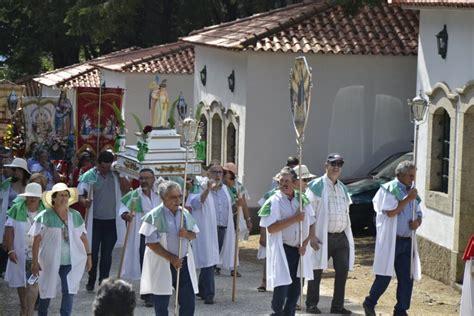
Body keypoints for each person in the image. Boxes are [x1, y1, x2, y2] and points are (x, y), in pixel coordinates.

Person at [363, 160, 423, 316]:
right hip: (392, 240)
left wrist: (417, 223)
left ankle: (401, 310)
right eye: (410, 176)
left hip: (407, 241)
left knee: (406, 278)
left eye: (414, 176)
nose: (412, 179)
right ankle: (370, 302)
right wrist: (408, 199)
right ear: (401, 175)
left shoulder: (413, 191)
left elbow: (419, 213)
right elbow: (390, 212)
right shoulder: (389, 189)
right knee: (384, 276)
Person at [29, 183, 92, 316]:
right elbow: (36, 240)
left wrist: (89, 257)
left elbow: (83, 237)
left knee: (68, 290)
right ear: (54, 198)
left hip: (70, 260)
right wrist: (35, 262)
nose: (63, 198)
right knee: (46, 290)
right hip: (49, 260)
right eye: (60, 195)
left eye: (65, 195)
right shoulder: (44, 215)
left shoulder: (75, 215)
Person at [258, 166, 314, 315]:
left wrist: (306, 242)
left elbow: (312, 222)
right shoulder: (274, 201)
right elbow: (272, 228)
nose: (283, 184)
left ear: (295, 182)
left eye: (287, 181)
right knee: (282, 286)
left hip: (299, 250)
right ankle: (277, 311)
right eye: (281, 181)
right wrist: (294, 218)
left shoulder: (302, 199)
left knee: (296, 287)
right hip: (284, 248)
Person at [140, 181, 199, 316]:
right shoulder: (154, 215)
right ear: (163, 197)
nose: (178, 200)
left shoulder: (184, 213)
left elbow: (194, 235)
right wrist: (172, 259)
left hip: (183, 262)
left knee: (188, 300)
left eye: (179, 196)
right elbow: (151, 243)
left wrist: (187, 234)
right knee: (161, 300)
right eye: (173, 197)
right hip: (162, 262)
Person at [305, 153, 355, 315]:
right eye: (333, 163)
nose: (336, 167)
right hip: (322, 236)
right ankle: (311, 304)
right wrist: (311, 236)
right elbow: (308, 212)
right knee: (316, 270)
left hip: (341, 237)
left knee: (342, 271)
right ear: (326, 165)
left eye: (339, 164)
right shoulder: (316, 185)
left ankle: (338, 306)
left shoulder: (342, 187)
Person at [78, 150, 127, 291]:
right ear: (97, 164)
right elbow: (80, 194)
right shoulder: (89, 176)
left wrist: (121, 174)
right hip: (95, 222)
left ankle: (104, 281)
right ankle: (91, 278)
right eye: (103, 167)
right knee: (92, 252)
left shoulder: (115, 175)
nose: (105, 170)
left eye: (108, 167)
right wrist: (84, 201)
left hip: (111, 222)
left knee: (107, 254)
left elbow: (127, 189)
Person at [188, 162, 236, 304]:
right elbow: (196, 203)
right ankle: (209, 294)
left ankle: (202, 289)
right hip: (207, 229)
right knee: (209, 259)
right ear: (208, 173)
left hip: (222, 228)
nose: (217, 175)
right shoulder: (200, 186)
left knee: (212, 261)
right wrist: (207, 190)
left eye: (220, 172)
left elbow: (230, 207)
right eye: (214, 172)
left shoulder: (226, 190)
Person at [119, 168, 161, 307]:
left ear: (153, 179)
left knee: (157, 263)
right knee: (146, 263)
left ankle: (155, 291)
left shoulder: (160, 194)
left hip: (158, 234)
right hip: (142, 234)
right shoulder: (134, 195)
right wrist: (127, 216)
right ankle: (148, 295)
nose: (143, 181)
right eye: (141, 178)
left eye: (147, 178)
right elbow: (122, 210)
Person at [3, 183, 45, 316]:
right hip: (20, 254)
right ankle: (23, 307)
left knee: (33, 284)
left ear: (40, 198)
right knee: (21, 283)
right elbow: (9, 230)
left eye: (35, 196)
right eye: (29, 196)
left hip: (38, 255)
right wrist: (10, 250)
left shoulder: (46, 212)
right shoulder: (16, 208)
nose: (32, 199)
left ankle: (29, 311)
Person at [1, 158, 31, 274]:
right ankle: (5, 267)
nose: (13, 171)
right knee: (7, 239)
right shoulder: (7, 183)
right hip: (9, 214)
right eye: (12, 169)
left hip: (26, 215)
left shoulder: (30, 183)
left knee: (23, 240)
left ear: (22, 170)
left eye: (15, 169)